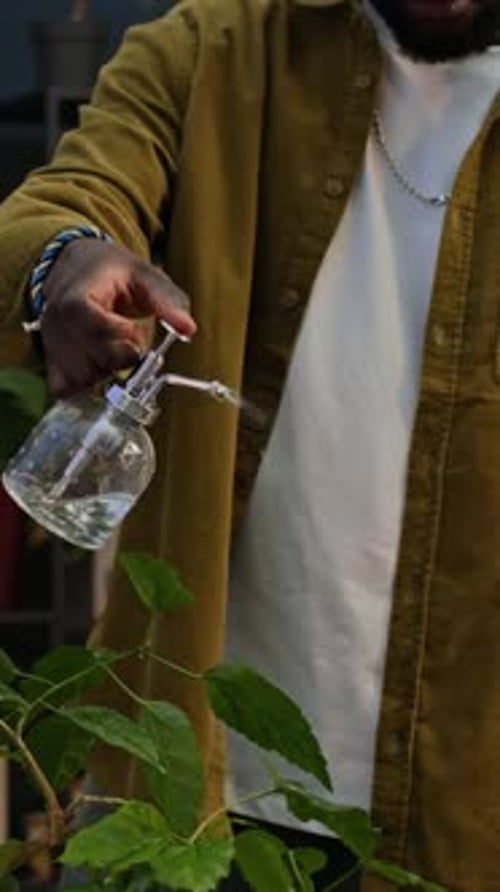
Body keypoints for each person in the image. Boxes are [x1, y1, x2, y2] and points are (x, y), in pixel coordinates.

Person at [1, 0, 499, 888]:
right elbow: (70, 197)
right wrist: (62, 263)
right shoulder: (213, 50)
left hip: (467, 817)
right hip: (190, 800)